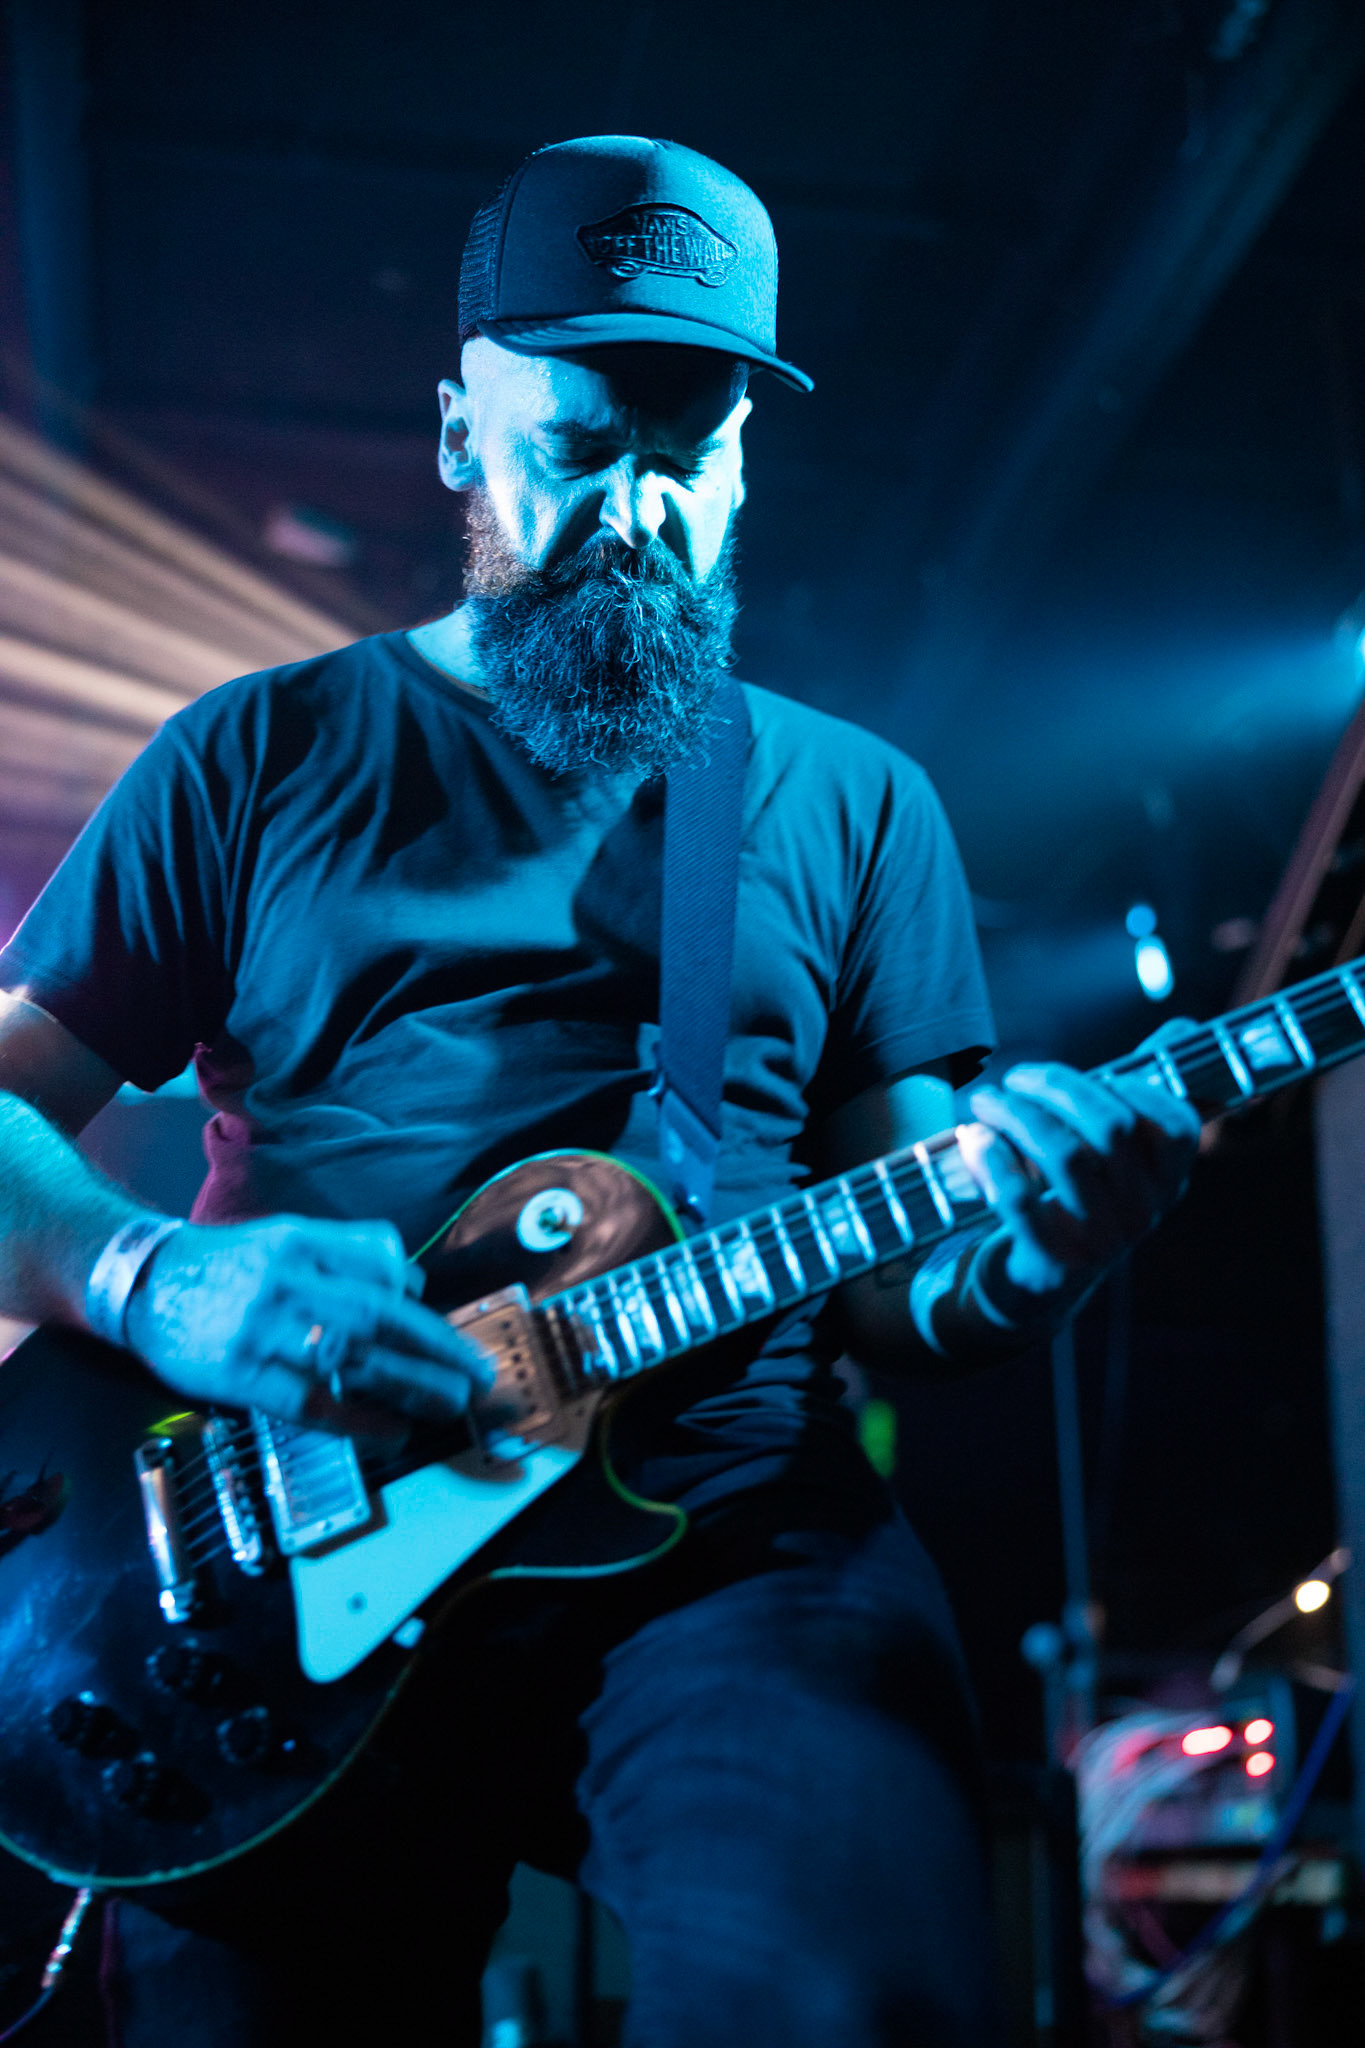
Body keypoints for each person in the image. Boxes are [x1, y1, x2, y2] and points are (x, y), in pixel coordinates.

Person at [0, 137, 1199, 2046]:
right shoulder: (257, 754)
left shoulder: (850, 800)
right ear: (466, 438)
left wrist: (1029, 1254)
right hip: (269, 1553)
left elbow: (910, 1278)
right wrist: (156, 1278)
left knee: (845, 1996)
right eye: (580, 446)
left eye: (693, 451)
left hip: (723, 1546)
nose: (640, 511)